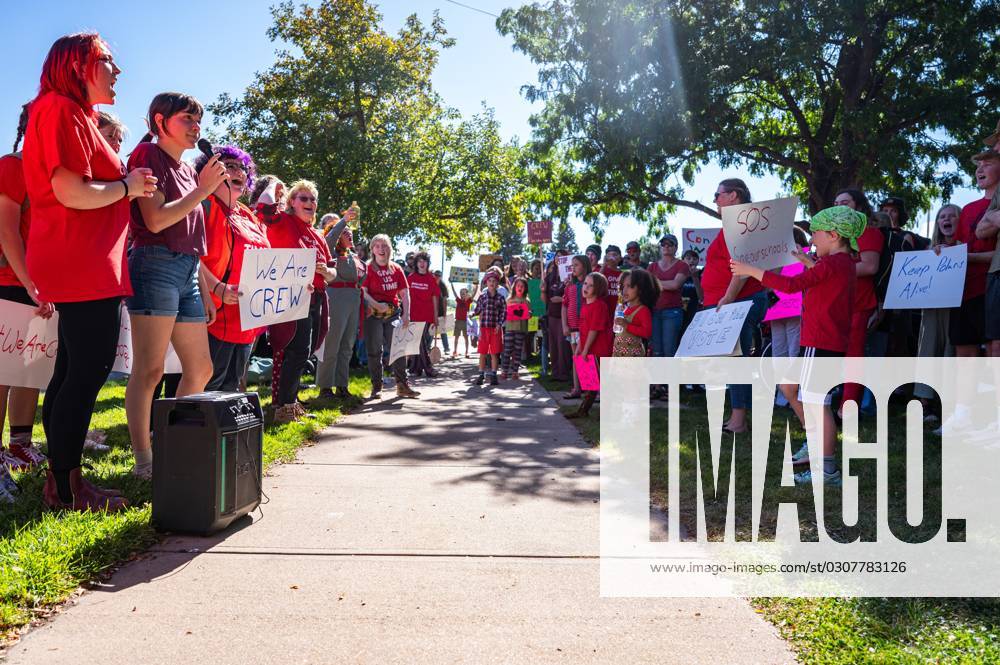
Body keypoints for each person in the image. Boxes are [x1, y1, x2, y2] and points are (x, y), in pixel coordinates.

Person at [23, 32, 157, 510]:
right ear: (78, 65)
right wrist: (127, 186)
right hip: (79, 260)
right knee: (87, 371)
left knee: (71, 370)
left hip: (82, 259)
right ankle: (67, 486)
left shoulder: (73, 113)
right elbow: (71, 191)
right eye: (108, 61)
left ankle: (62, 479)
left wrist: (124, 187)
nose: (117, 71)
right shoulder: (60, 108)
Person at [124, 92, 225, 477]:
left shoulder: (187, 169)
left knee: (200, 368)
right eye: (187, 118)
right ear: (160, 120)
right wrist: (202, 191)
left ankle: (176, 445)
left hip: (186, 272)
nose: (196, 127)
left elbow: (190, 237)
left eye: (198, 120)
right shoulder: (147, 156)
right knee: (149, 371)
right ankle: (144, 460)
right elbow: (155, 220)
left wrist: (205, 286)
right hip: (154, 264)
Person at [730, 205, 867, 486]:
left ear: (833, 235)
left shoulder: (832, 264)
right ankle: (815, 444)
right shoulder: (842, 264)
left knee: (818, 405)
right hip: (821, 344)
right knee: (789, 387)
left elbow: (790, 286)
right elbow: (826, 279)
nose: (812, 239)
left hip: (820, 343)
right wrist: (810, 265)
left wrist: (751, 270)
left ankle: (826, 469)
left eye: (815, 233)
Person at [0, 104, 53, 482]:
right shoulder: (12, 165)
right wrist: (31, 284)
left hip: (43, 288)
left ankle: (20, 444)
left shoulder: (55, 174)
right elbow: (7, 232)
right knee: (2, 372)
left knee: (31, 370)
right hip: (10, 281)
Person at [192, 144, 269, 392]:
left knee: (232, 389)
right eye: (229, 166)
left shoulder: (248, 215)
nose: (238, 172)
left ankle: (225, 433)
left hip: (246, 318)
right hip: (212, 314)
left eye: (242, 168)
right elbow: (187, 253)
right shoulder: (201, 205)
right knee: (207, 389)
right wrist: (217, 287)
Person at [255, 178, 333, 421]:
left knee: (304, 351)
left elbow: (332, 271)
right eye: (303, 198)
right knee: (293, 351)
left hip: (316, 297)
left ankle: (287, 402)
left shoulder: (317, 236)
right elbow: (264, 207)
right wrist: (275, 184)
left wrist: (324, 271)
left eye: (312, 200)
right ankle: (284, 406)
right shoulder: (283, 222)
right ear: (291, 202)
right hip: (290, 295)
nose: (309, 203)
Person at [701, 178, 768, 434]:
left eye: (717, 195)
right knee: (730, 361)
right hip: (726, 302)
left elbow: (741, 269)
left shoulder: (742, 223)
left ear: (734, 196)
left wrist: (728, 298)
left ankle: (739, 420)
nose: (714, 200)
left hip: (737, 302)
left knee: (737, 360)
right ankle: (735, 415)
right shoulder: (733, 224)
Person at [832, 188, 882, 415]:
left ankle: (848, 408)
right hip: (834, 304)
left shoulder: (868, 233)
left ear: (859, 206)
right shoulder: (834, 236)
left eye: (845, 202)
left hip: (858, 303)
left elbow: (870, 266)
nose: (840, 206)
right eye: (836, 203)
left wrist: (833, 269)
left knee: (853, 357)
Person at [949, 147, 999, 359]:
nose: (980, 169)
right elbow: (960, 247)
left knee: (993, 350)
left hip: (990, 289)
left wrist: (967, 257)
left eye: (987, 164)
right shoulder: (968, 208)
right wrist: (942, 252)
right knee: (964, 354)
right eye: (978, 165)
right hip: (963, 291)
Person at [914, 204, 960, 419]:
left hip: (957, 308)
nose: (946, 219)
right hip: (931, 309)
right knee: (927, 353)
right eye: (942, 216)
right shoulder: (929, 251)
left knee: (951, 354)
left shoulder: (965, 247)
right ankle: (925, 404)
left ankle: (949, 405)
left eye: (952, 216)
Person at [362, 234, 418, 399]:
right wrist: (376, 304)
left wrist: (407, 314)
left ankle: (402, 385)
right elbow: (363, 292)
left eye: (384, 246)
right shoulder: (367, 268)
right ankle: (377, 386)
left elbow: (404, 293)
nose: (381, 249)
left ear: (390, 249)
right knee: (375, 351)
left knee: (399, 347)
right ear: (372, 249)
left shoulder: (396, 268)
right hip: (373, 313)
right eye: (377, 246)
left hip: (393, 313)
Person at [316, 211, 364, 399]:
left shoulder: (353, 255)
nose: (349, 233)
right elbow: (329, 237)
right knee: (331, 344)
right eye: (345, 232)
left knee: (347, 346)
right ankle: (325, 387)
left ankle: (342, 385)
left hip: (353, 298)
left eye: (349, 231)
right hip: (335, 296)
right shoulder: (330, 250)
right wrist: (343, 221)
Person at [567, 272, 612, 419]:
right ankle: (583, 410)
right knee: (589, 383)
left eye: (591, 285)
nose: (586, 287)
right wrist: (579, 349)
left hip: (598, 348)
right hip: (587, 347)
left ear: (598, 289)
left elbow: (594, 330)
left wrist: (585, 350)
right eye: (585, 283)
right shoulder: (585, 306)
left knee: (602, 382)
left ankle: (608, 412)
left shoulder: (599, 306)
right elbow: (583, 330)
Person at [647, 234, 690, 360]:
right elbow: (646, 286)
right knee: (656, 351)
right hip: (654, 311)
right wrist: (662, 283)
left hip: (673, 311)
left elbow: (675, 285)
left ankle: (672, 379)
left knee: (669, 351)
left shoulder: (682, 265)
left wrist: (654, 282)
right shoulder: (652, 266)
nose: (666, 246)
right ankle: (659, 380)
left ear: (676, 248)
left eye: (670, 244)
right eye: (663, 244)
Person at [561, 254, 591, 399]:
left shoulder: (590, 285)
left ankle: (589, 388)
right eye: (572, 265)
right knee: (576, 357)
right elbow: (564, 306)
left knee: (585, 356)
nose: (573, 268)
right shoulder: (570, 287)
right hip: (572, 327)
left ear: (585, 266)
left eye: (576, 265)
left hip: (585, 327)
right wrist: (564, 325)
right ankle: (577, 388)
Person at [407, 251, 440, 378]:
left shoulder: (431, 279)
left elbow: (435, 298)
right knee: (418, 341)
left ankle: (417, 368)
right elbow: (405, 296)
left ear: (427, 263)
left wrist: (436, 317)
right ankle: (425, 368)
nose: (422, 263)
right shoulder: (411, 278)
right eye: (419, 261)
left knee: (419, 341)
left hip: (426, 315)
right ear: (416, 263)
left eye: (424, 261)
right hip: (413, 315)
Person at [612, 268, 656, 357]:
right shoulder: (625, 308)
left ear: (641, 289)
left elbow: (647, 333)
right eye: (623, 286)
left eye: (630, 286)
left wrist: (627, 325)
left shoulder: (643, 310)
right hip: (618, 355)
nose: (624, 290)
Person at [473, 271, 506, 385]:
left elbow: (503, 313)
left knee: (494, 353)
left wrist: (499, 324)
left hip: (495, 329)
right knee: (482, 353)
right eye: (490, 281)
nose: (492, 283)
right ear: (486, 283)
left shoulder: (501, 298)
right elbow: (477, 309)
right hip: (484, 329)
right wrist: (471, 314)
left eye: (494, 281)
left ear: (497, 284)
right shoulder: (482, 297)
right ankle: (481, 373)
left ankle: (493, 374)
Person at [501, 277, 531, 379]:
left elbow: (529, 314)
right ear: (514, 287)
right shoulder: (509, 299)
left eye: (522, 286)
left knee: (518, 350)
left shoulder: (526, 301)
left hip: (521, 328)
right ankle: (504, 370)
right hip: (510, 327)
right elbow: (504, 312)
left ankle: (515, 371)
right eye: (518, 286)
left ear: (525, 288)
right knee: (507, 349)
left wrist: (529, 314)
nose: (520, 288)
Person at [679, 249, 703, 335]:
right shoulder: (678, 275)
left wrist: (695, 278)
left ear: (698, 261)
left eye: (694, 258)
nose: (691, 260)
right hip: (678, 312)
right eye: (688, 258)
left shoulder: (701, 276)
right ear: (683, 260)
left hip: (693, 313)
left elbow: (701, 297)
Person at [450, 283, 473, 358]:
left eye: (463, 293)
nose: (462, 295)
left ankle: (466, 352)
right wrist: (452, 284)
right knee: (456, 337)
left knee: (466, 337)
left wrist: (476, 286)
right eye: (461, 293)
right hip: (458, 321)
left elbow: (474, 293)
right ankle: (455, 351)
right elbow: (454, 292)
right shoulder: (458, 300)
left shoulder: (468, 301)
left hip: (465, 322)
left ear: (467, 294)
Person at [601, 244, 623, 318]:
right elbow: (595, 281)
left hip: (619, 310)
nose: (612, 257)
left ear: (620, 258)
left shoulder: (622, 273)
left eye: (615, 255)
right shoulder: (602, 271)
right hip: (604, 310)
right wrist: (604, 265)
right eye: (609, 255)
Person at [434, 269, 450, 356]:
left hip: (440, 311)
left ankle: (446, 348)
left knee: (443, 330)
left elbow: (444, 300)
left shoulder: (443, 286)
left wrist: (444, 313)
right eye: (435, 275)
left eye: (439, 275)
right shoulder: (431, 283)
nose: (436, 277)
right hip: (431, 311)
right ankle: (428, 347)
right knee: (430, 330)